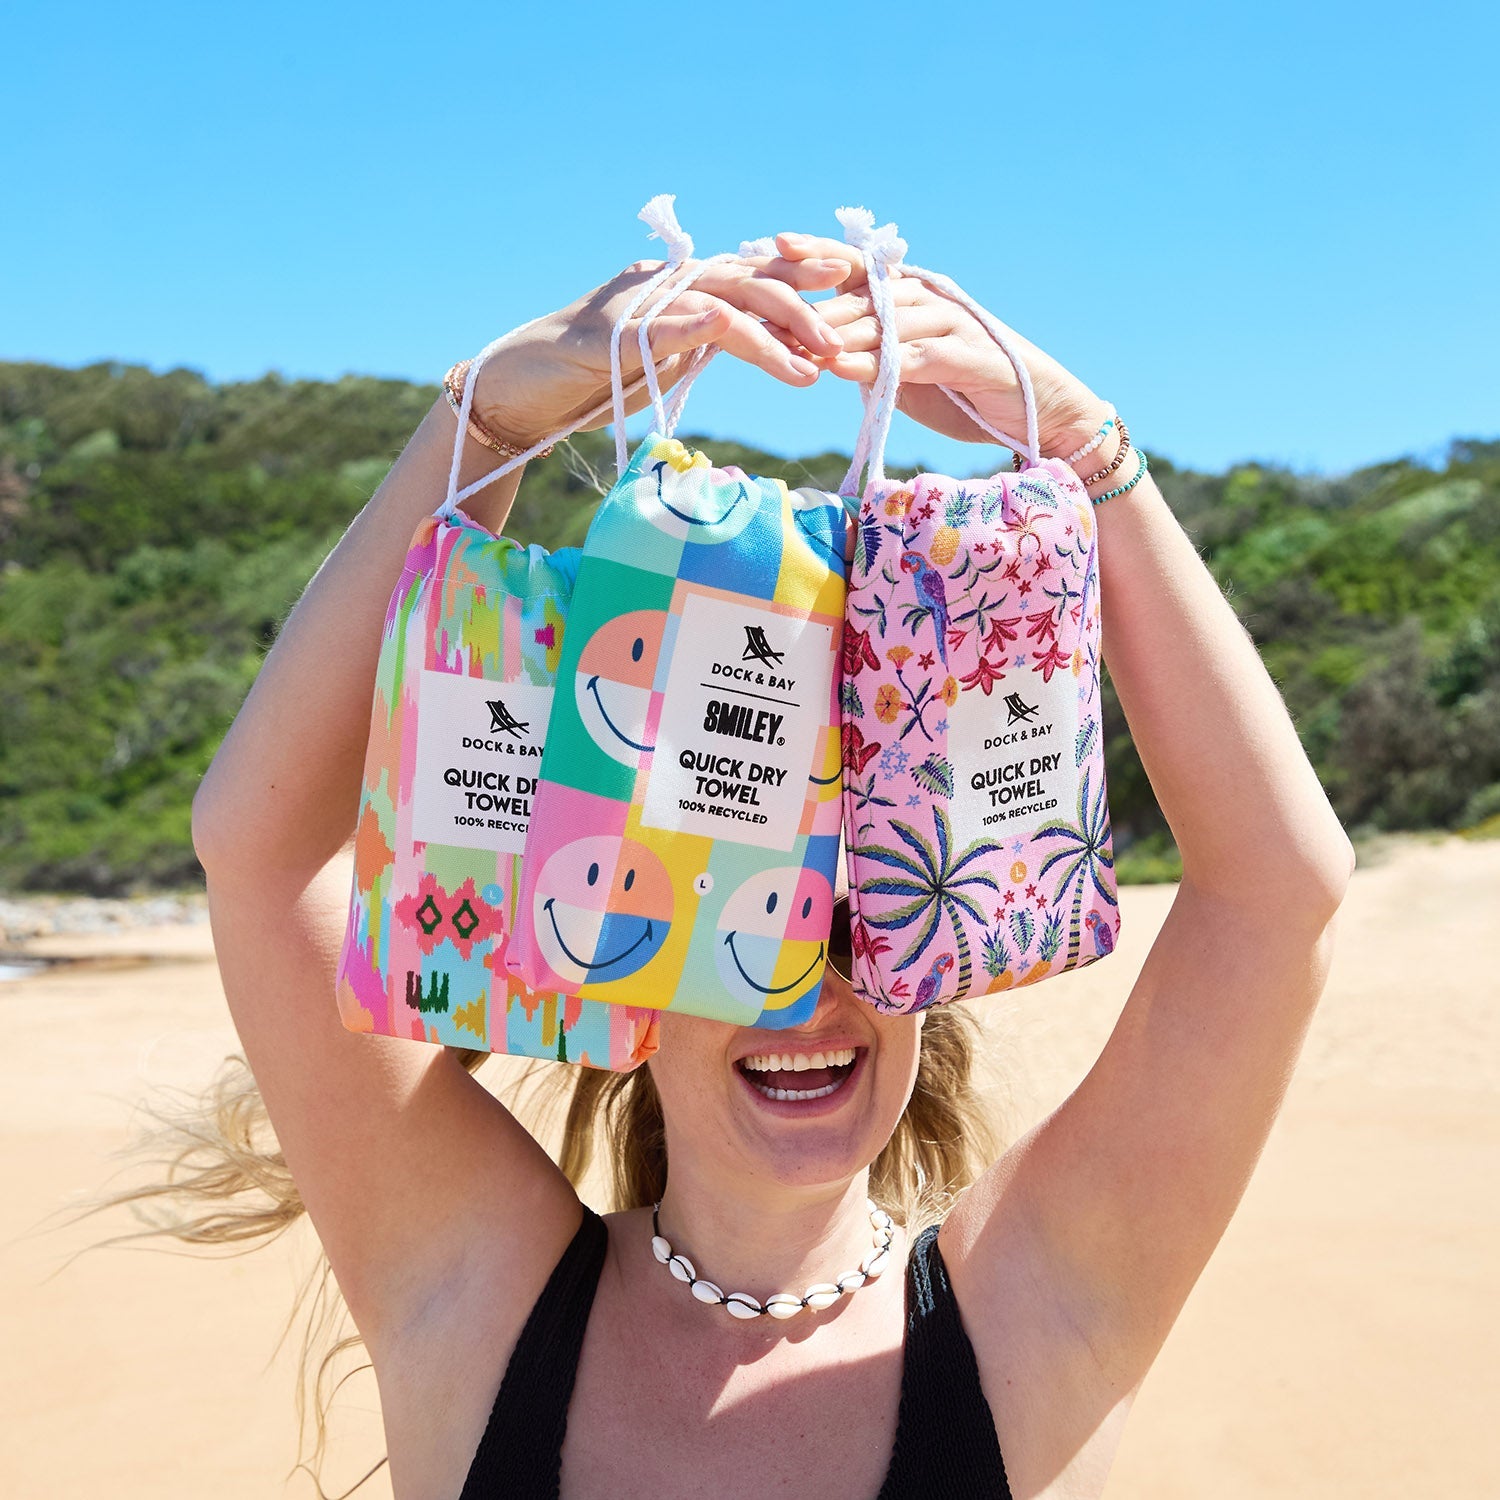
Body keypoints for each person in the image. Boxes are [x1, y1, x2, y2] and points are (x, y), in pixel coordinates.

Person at [180, 229, 1355, 1499]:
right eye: (753, 915)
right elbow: (259, 852)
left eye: (860, 925)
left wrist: (1082, 446)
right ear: (626, 962)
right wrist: (479, 426)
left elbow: (1280, 891)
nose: (807, 988)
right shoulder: (476, 1292)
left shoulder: (1039, 1311)